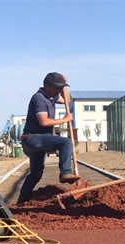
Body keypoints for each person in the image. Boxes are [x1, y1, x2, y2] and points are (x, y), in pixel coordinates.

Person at [17, 72, 79, 204]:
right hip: (32, 139)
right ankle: (65, 173)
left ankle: (22, 200)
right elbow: (44, 122)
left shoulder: (52, 97)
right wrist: (65, 119)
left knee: (36, 173)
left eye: (60, 88)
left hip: (40, 139)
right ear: (47, 85)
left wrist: (64, 85)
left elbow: (67, 100)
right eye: (57, 87)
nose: (59, 91)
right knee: (66, 142)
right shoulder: (39, 98)